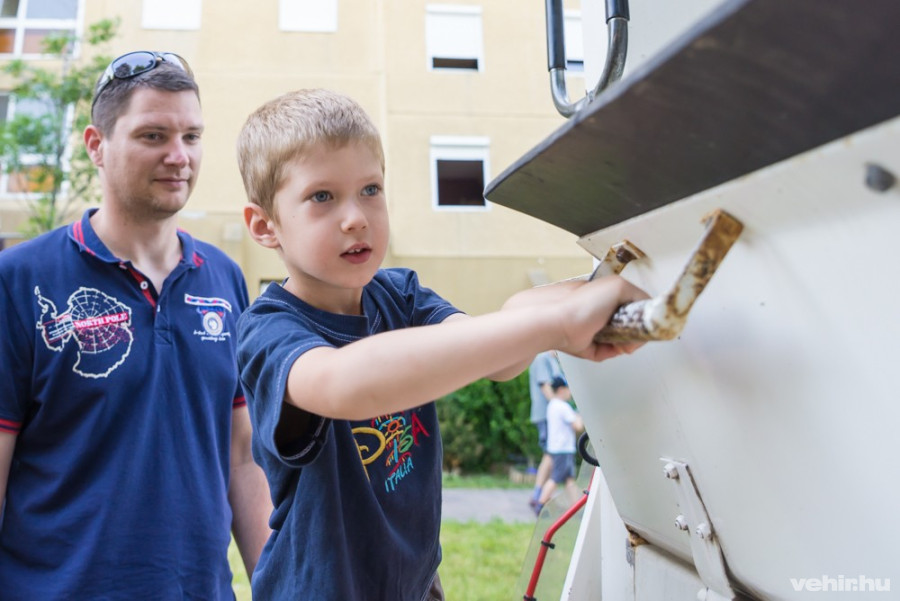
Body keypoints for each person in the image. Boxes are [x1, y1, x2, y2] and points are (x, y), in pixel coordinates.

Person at [234, 87, 649, 601]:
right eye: (322, 197)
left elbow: (492, 354)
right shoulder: (268, 329)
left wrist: (583, 293)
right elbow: (346, 384)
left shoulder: (400, 294)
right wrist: (557, 326)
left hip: (414, 583)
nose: (356, 217)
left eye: (370, 189)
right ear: (265, 226)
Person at [0, 51, 271, 599]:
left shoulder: (224, 278)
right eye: (153, 136)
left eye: (192, 137)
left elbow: (242, 459)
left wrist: (278, 584)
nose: (179, 157)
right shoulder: (20, 279)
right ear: (96, 145)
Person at [535, 376, 584, 514]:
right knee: (555, 479)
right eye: (568, 389)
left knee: (569, 480)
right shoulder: (563, 407)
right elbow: (578, 426)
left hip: (557, 448)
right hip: (563, 450)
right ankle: (540, 505)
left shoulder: (552, 405)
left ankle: (577, 508)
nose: (570, 392)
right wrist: (580, 414)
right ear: (562, 389)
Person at [528, 349, 564, 512]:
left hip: (551, 414)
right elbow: (545, 387)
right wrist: (559, 409)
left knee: (551, 454)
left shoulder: (552, 359)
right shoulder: (541, 358)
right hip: (546, 415)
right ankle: (538, 496)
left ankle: (543, 496)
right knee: (550, 453)